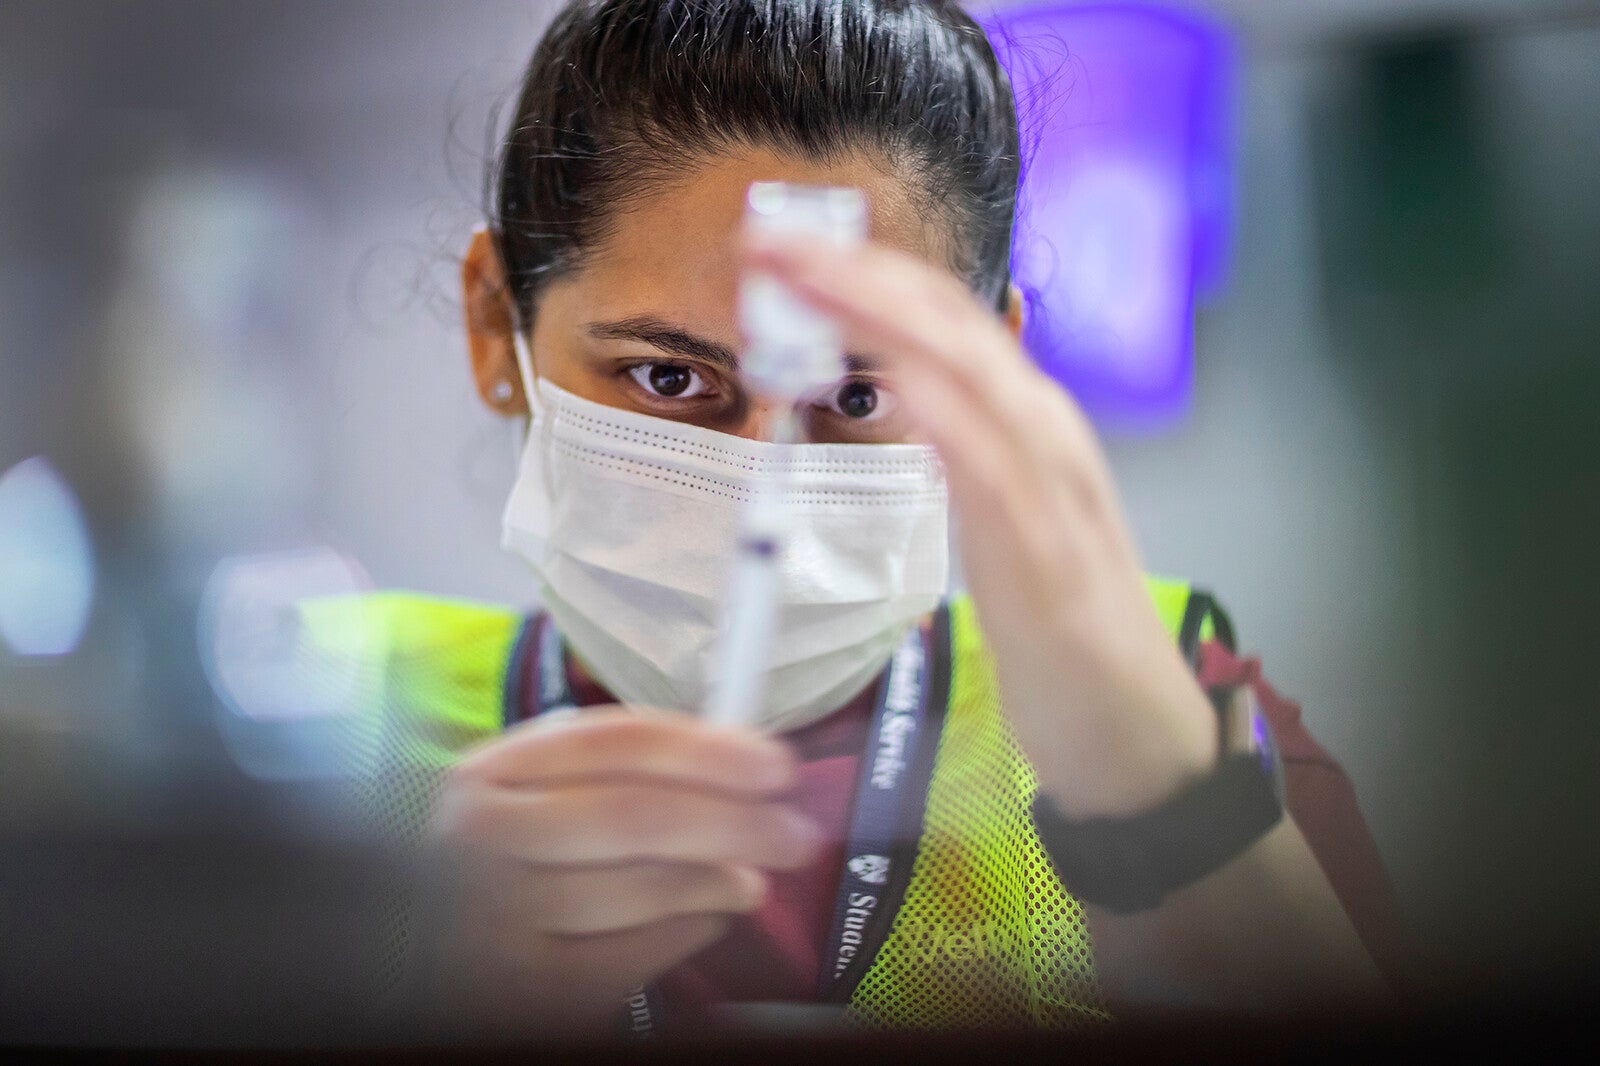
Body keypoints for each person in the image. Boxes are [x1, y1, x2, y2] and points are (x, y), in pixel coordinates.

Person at [312, 0, 1409, 1039]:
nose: (763, 487)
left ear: (997, 369)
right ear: (494, 325)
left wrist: (1166, 803)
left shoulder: (1178, 700)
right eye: (663, 376)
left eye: (857, 396)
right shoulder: (314, 738)